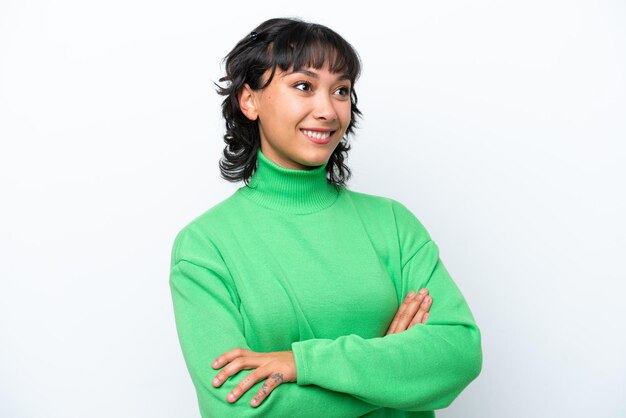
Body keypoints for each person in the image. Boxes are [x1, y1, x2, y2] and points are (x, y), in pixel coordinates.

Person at [169, 17, 482, 418]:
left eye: (341, 91)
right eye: (303, 86)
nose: (328, 110)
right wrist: (389, 375)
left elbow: (459, 353)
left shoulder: (392, 223)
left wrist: (302, 364)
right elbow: (238, 409)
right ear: (249, 100)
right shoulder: (204, 246)